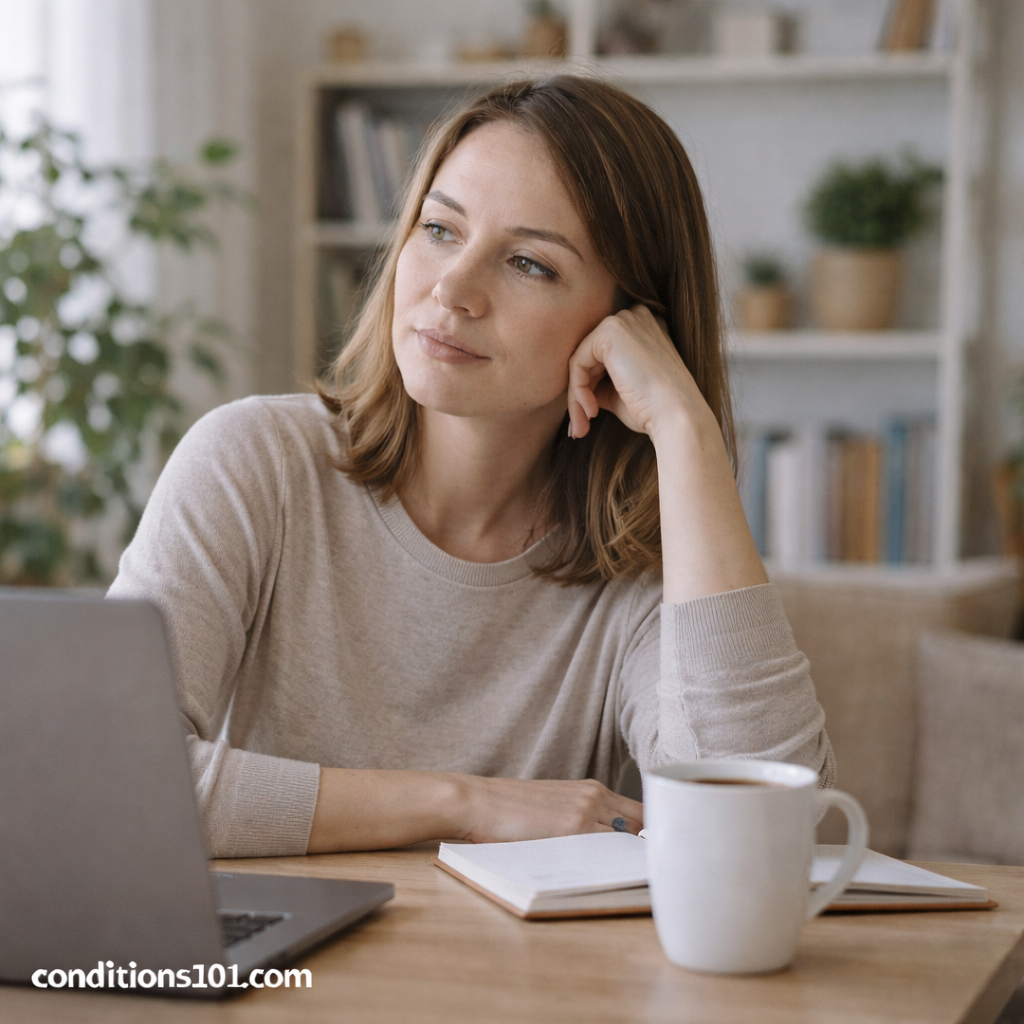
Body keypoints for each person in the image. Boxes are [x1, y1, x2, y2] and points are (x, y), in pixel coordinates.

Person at [108, 75, 834, 858]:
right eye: (440, 229)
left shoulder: (644, 572)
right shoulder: (252, 464)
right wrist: (463, 805)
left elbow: (767, 834)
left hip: (510, 981)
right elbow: (109, 776)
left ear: (631, 326)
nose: (452, 288)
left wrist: (687, 432)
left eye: (527, 263)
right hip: (281, 973)